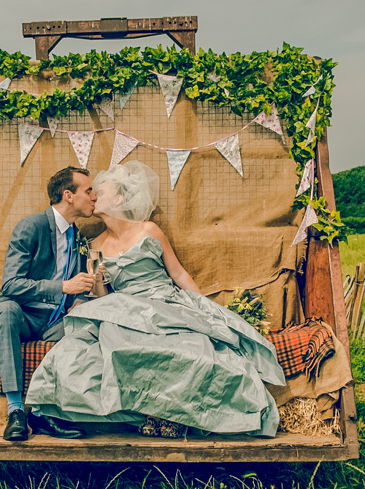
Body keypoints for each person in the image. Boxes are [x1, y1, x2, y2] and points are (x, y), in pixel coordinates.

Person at [25, 161, 286, 437]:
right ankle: (129, 414)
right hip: (124, 308)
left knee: (200, 350)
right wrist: (99, 281)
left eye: (98, 191)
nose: (92, 196)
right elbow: (102, 296)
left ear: (119, 198)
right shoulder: (93, 246)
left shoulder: (149, 230)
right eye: (90, 192)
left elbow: (180, 274)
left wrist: (205, 309)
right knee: (101, 350)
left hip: (164, 301)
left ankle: (199, 415)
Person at [0, 166, 98, 441]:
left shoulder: (77, 236)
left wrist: (80, 300)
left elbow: (79, 285)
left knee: (91, 326)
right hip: (22, 317)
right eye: (89, 191)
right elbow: (10, 286)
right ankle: (15, 411)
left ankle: (46, 413)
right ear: (68, 195)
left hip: (55, 322)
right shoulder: (31, 227)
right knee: (6, 308)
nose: (95, 197)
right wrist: (62, 287)